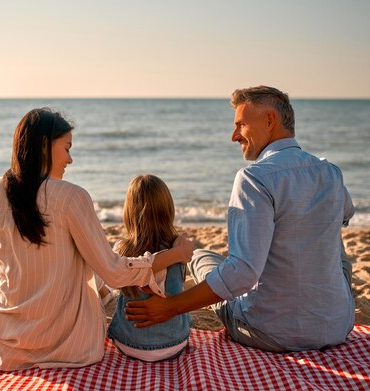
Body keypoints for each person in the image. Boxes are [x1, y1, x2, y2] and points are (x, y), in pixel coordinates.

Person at [125, 86, 355, 353]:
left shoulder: (254, 179)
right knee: (336, 245)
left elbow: (243, 274)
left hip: (270, 332)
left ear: (270, 120)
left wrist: (170, 308)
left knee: (201, 257)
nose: (234, 136)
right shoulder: (330, 172)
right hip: (337, 326)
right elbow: (345, 215)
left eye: (241, 125)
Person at [0, 108, 193, 371]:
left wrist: (6, 325)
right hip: (73, 348)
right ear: (44, 147)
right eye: (67, 148)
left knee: (86, 263)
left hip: (7, 348)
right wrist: (177, 254)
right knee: (96, 264)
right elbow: (115, 273)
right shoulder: (71, 197)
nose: (70, 159)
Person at [107, 174, 192, 362]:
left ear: (129, 212)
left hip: (129, 343)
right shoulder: (177, 249)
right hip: (174, 343)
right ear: (168, 210)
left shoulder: (122, 249)